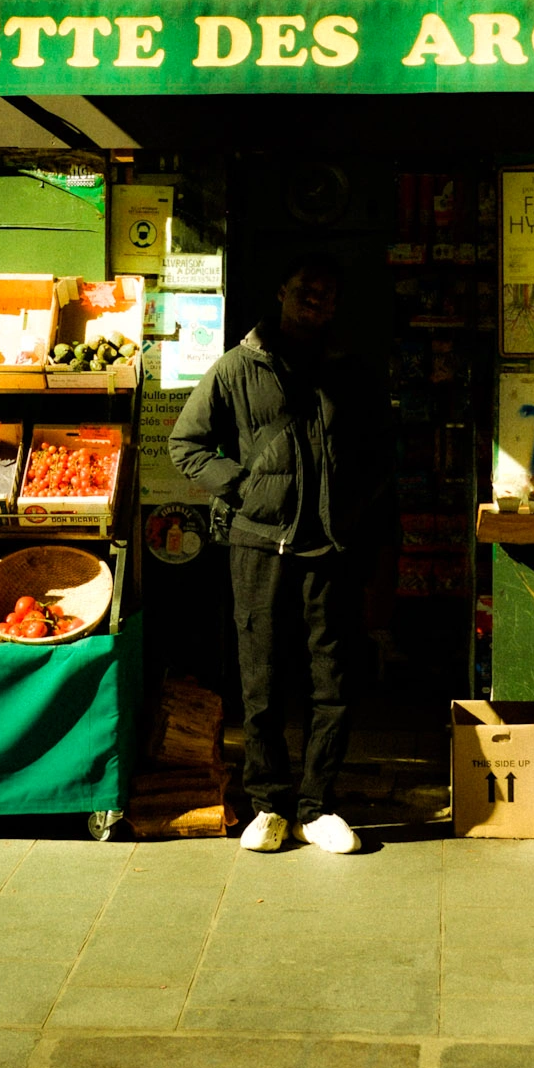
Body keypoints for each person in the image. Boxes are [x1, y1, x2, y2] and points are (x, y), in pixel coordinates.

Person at [168, 253, 394, 855]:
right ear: (281, 292)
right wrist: (242, 488)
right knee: (261, 681)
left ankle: (318, 807)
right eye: (305, 290)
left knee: (333, 681)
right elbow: (185, 443)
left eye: (327, 293)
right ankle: (268, 804)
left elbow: (380, 454)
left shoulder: (351, 371)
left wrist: (352, 508)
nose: (316, 301)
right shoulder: (236, 368)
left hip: (330, 547)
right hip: (259, 544)